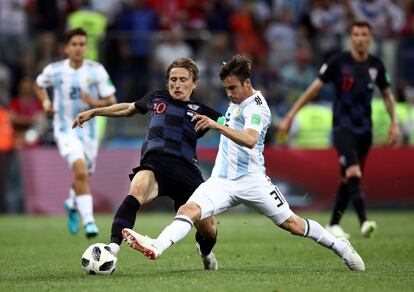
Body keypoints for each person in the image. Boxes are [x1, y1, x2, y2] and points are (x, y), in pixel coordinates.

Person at [121, 54, 365, 272]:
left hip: (252, 181)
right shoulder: (237, 97)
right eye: (226, 89)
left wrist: (216, 125)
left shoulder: (258, 109)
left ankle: (340, 247)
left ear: (248, 84)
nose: (229, 94)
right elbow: (235, 77)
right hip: (222, 181)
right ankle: (157, 245)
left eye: (233, 88)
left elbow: (250, 139)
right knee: (187, 210)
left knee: (293, 224)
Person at [72, 58, 221, 270]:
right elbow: (128, 109)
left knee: (208, 230)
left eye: (183, 80)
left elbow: (231, 127)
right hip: (156, 160)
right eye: (173, 79)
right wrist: (94, 112)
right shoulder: (156, 97)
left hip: (187, 169)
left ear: (194, 83)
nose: (177, 84)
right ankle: (112, 248)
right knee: (136, 190)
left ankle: (205, 252)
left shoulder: (204, 111)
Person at [278, 21, 400, 239]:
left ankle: (334, 224)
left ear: (370, 38)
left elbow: (387, 96)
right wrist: (290, 115)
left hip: (365, 129)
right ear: (350, 38)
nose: (360, 38)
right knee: (354, 172)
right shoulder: (338, 62)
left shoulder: (376, 65)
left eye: (364, 34)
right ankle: (364, 221)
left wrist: (394, 123)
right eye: (356, 34)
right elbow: (313, 90)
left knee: (348, 178)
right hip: (342, 128)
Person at [34, 28, 117, 238]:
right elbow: (38, 84)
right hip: (65, 129)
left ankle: (71, 203)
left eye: (82, 44)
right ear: (66, 48)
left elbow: (111, 101)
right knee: (80, 170)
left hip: (89, 132)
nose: (78, 48)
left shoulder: (96, 70)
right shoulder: (55, 70)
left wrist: (93, 102)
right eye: (74, 44)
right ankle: (89, 221)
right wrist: (45, 101)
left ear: (87, 48)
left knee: (84, 175)